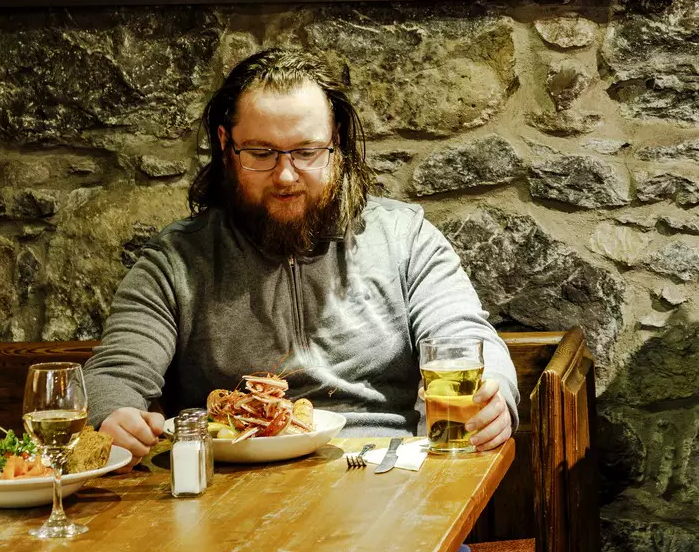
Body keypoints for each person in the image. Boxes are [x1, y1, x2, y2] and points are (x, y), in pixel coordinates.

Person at [85, 46, 518, 457]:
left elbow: (464, 337)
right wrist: (112, 413)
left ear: (337, 143)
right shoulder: (175, 260)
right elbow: (114, 372)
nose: (286, 176)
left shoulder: (405, 238)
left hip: (383, 479)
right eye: (261, 153)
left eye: (307, 152)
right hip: (232, 495)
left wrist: (493, 395)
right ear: (225, 144)